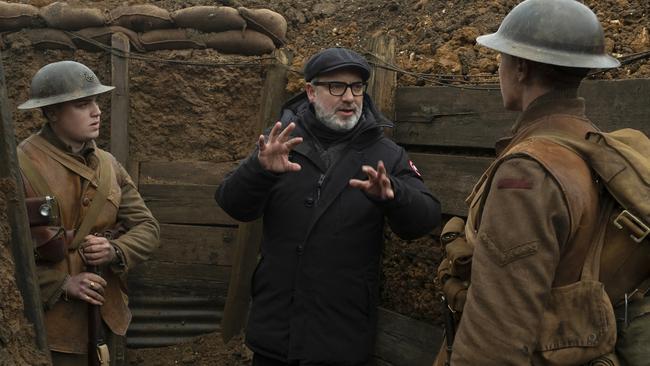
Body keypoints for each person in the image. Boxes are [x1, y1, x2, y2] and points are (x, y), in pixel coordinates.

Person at [216, 47, 441, 365]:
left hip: (340, 337)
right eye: (336, 86)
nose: (349, 97)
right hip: (275, 334)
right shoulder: (281, 142)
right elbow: (232, 203)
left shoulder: (386, 154)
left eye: (357, 87)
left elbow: (425, 217)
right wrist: (259, 170)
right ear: (310, 91)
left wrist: (394, 195)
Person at [433, 0, 628, 364]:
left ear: (520, 67)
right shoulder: (588, 143)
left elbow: (494, 342)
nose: (499, 68)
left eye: (502, 57)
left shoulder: (529, 172)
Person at [16, 60, 160, 365]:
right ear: (52, 112)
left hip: (106, 317)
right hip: (49, 327)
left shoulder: (109, 165)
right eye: (83, 104)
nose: (96, 111)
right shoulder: (19, 168)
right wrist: (60, 284)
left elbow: (148, 228)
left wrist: (114, 249)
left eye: (96, 101)